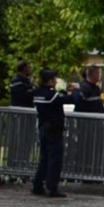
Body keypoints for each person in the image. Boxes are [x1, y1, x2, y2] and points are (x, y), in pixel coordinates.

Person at [32, 69, 79, 198]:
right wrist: (75, 90)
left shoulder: (38, 93)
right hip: (53, 129)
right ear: (50, 80)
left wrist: (63, 92)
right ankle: (52, 187)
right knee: (55, 158)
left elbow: (58, 98)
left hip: (43, 127)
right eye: (54, 79)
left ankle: (37, 184)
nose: (56, 81)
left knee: (44, 157)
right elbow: (70, 99)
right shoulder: (51, 95)